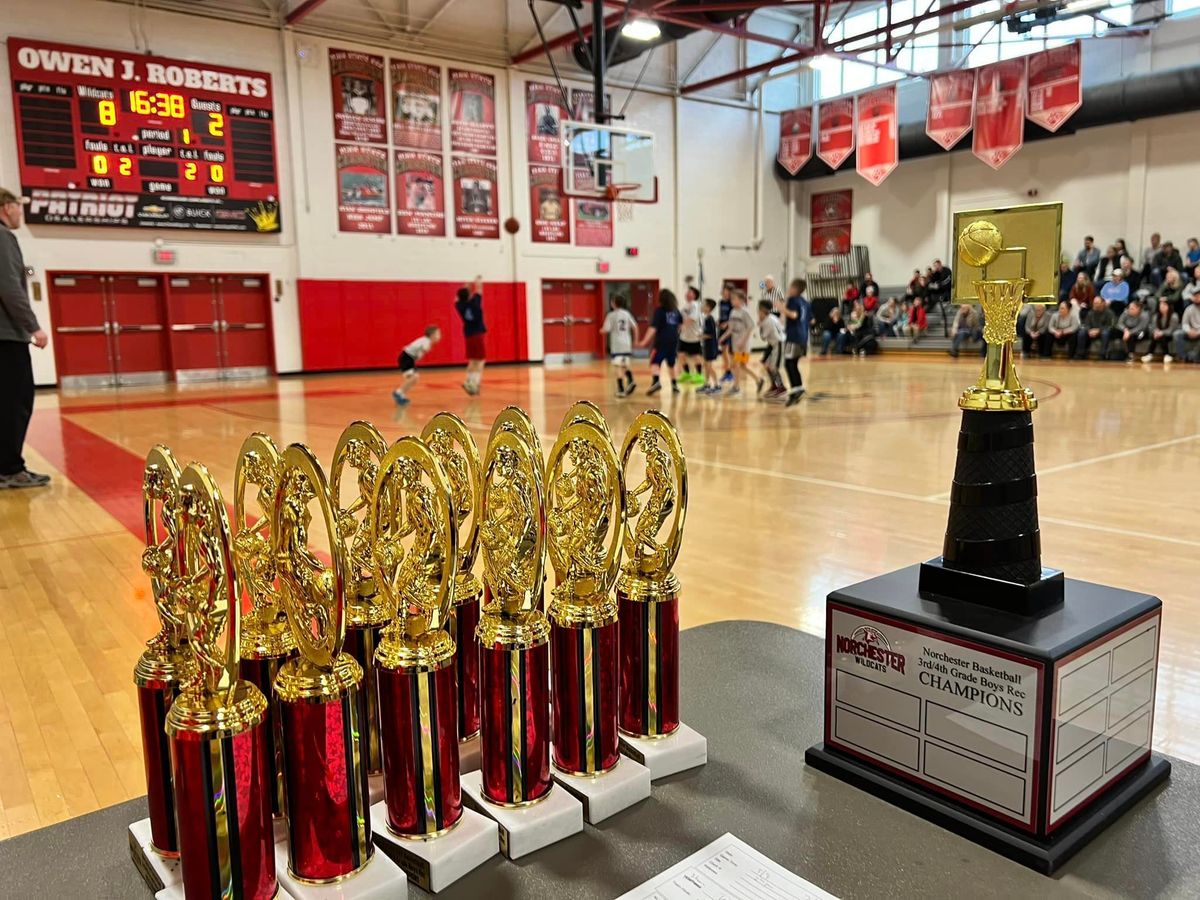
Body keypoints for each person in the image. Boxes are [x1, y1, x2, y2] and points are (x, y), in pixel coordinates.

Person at [0, 188, 50, 489]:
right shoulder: (4, 237)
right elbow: (9, 287)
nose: (21, 212)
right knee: (15, 403)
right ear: (7, 207)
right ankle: (9, 469)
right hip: (6, 338)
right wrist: (33, 326)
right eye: (19, 206)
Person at [638, 288, 683, 395]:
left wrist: (644, 341)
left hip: (662, 341)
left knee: (655, 362)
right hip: (673, 341)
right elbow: (680, 325)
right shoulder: (676, 311)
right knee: (671, 364)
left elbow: (653, 328)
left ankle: (656, 381)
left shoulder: (660, 311)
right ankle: (674, 385)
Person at [392, 325, 441, 406]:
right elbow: (420, 353)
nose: (439, 336)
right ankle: (398, 393)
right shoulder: (426, 342)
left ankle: (401, 394)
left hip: (408, 358)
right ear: (432, 335)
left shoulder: (425, 341)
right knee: (414, 377)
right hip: (406, 357)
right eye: (438, 334)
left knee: (414, 378)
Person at [778, 278, 809, 406]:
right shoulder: (805, 302)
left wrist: (781, 308)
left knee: (788, 363)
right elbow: (810, 320)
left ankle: (796, 389)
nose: (789, 289)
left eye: (790, 287)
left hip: (794, 336)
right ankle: (798, 388)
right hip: (803, 337)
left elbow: (794, 315)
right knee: (793, 363)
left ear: (795, 289)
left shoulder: (793, 300)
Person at [600, 295, 639, 397]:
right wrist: (635, 340)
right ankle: (630, 380)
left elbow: (606, 329)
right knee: (624, 363)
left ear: (613, 303)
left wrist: (601, 331)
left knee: (618, 366)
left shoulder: (611, 315)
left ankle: (621, 389)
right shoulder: (626, 313)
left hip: (617, 344)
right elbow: (635, 327)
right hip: (626, 343)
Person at [722, 289, 757, 395]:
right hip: (735, 342)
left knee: (735, 365)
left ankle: (736, 387)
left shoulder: (745, 312)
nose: (732, 301)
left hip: (743, 344)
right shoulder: (733, 311)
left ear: (741, 300)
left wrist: (743, 341)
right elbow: (731, 328)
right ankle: (758, 380)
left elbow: (751, 327)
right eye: (731, 299)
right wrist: (723, 337)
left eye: (734, 299)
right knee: (741, 366)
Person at [455, 277, 486, 395]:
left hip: (468, 334)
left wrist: (466, 287)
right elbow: (479, 291)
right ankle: (475, 383)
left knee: (472, 360)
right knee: (481, 361)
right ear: (469, 296)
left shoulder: (459, 306)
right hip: (477, 334)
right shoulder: (474, 303)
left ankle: (468, 380)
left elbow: (457, 298)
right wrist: (478, 282)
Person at [756, 300, 786, 398]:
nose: (757, 313)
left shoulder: (767, 322)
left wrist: (760, 325)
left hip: (779, 343)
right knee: (768, 365)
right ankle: (774, 386)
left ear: (762, 310)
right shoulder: (772, 317)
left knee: (773, 367)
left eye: (758, 310)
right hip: (774, 344)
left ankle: (781, 388)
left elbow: (764, 337)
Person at [677, 285, 704, 385]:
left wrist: (682, 326)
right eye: (687, 292)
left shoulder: (695, 305)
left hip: (694, 336)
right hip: (684, 336)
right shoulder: (685, 306)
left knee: (696, 356)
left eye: (690, 292)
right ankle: (687, 373)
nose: (687, 293)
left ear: (695, 295)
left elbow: (692, 318)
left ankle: (699, 375)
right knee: (680, 355)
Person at [1076, 296, 1115, 360]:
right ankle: (1080, 354)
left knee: (1105, 333)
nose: (1095, 305)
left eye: (1097, 303)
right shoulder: (1090, 312)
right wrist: (1089, 330)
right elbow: (1086, 324)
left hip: (1102, 331)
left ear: (1103, 303)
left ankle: (1102, 355)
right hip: (1091, 331)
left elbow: (1111, 326)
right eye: (1094, 303)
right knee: (1081, 332)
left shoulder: (1109, 313)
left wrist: (1099, 330)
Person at [1142, 298, 1179, 363]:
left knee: (1162, 337)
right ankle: (1149, 354)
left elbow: (1171, 329)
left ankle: (1167, 355)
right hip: (1158, 334)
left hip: (1170, 335)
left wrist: (1162, 333)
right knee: (1155, 336)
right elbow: (1153, 327)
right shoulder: (1156, 316)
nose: (1162, 307)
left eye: (1164, 305)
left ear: (1169, 306)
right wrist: (1155, 332)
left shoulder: (1174, 316)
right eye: (1160, 306)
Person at [698, 298, 721, 395]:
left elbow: (711, 334)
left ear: (708, 308)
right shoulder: (706, 318)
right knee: (706, 366)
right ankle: (706, 384)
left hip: (710, 346)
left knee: (708, 366)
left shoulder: (710, 319)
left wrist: (700, 335)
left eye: (703, 304)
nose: (701, 306)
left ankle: (716, 385)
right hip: (706, 345)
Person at [1173, 291, 1200, 363]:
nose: (1197, 298)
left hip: (1198, 332)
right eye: (1195, 297)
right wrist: (1189, 331)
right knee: (1177, 334)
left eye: (1198, 297)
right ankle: (1183, 357)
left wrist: (1197, 332)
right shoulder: (1189, 309)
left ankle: (1194, 356)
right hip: (1190, 331)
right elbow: (1184, 323)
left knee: (1194, 357)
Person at [927, 258, 953, 332]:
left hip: (947, 290)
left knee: (941, 297)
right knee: (930, 294)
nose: (936, 267)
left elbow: (948, 281)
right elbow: (931, 283)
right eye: (934, 266)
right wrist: (931, 275)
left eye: (937, 265)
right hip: (939, 292)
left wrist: (939, 285)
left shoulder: (947, 270)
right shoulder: (935, 273)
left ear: (940, 264)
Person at [718, 283, 735, 384]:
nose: (725, 292)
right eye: (724, 290)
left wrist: (727, 323)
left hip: (730, 329)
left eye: (727, 290)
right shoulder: (721, 302)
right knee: (724, 352)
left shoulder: (731, 303)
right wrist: (719, 322)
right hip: (722, 329)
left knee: (727, 351)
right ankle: (728, 371)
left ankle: (730, 372)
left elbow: (734, 317)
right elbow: (722, 315)